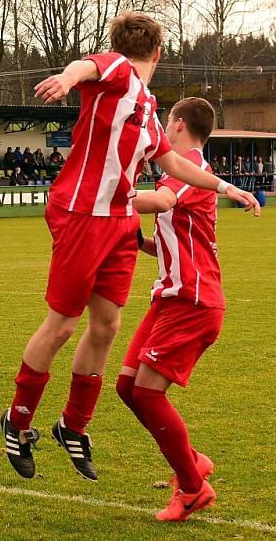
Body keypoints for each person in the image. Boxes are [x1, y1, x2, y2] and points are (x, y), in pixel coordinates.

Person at [0, 11, 258, 482]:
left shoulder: (146, 108)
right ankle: (17, 420)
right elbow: (88, 66)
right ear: (157, 53)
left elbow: (174, 164)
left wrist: (226, 187)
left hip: (118, 220)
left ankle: (72, 425)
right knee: (62, 324)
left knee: (107, 323)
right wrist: (65, 76)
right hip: (82, 213)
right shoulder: (119, 71)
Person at [117, 98, 224, 521]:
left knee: (146, 392)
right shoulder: (180, 172)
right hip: (169, 298)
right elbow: (172, 236)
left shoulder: (190, 166)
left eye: (166, 122)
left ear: (178, 125)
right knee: (129, 389)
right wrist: (139, 243)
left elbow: (161, 203)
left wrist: (107, 198)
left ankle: (194, 488)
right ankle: (191, 461)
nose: (163, 128)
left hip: (192, 302)